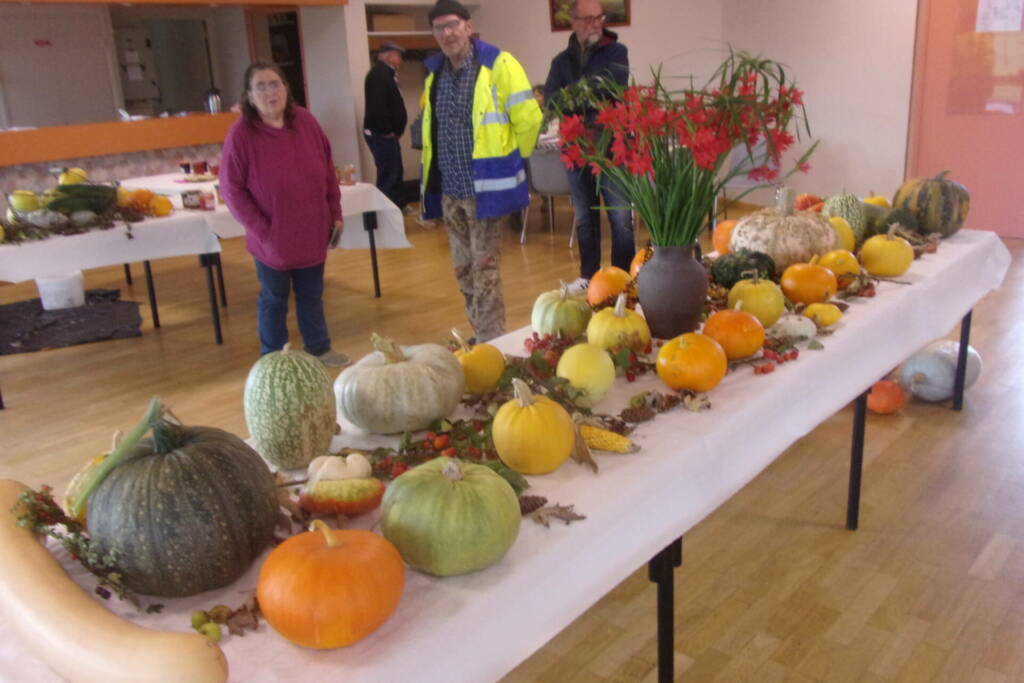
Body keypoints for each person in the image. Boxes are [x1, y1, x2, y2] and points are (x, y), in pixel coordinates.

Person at [420, 0, 542, 342]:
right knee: (463, 271)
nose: (447, 33)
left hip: (485, 189)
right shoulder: (435, 75)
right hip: (450, 189)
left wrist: (513, 161)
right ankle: (480, 334)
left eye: (453, 25)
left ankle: (493, 341)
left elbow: (529, 119)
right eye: (439, 28)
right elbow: (432, 132)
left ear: (468, 27)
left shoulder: (499, 65)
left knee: (485, 270)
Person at [220, 62, 350, 367]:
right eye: (261, 86)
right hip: (271, 239)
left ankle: (319, 348)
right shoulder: (241, 134)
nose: (270, 92)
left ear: (286, 89)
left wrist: (335, 213)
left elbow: (327, 171)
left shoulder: (306, 121)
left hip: (311, 231)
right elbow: (231, 190)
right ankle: (273, 360)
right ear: (249, 96)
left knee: (312, 294)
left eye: (275, 84)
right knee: (274, 299)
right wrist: (264, 231)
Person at [544, 0, 633, 294]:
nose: (595, 24)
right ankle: (588, 276)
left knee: (620, 218)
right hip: (576, 149)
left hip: (612, 147)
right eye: (588, 19)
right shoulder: (561, 61)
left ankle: (623, 278)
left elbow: (612, 87)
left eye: (599, 18)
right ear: (574, 21)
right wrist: (586, 93)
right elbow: (551, 101)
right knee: (585, 217)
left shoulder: (617, 52)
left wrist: (573, 94)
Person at [363, 41, 409, 210]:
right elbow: (378, 105)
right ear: (391, 56)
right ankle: (386, 211)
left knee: (395, 171)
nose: (401, 61)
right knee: (389, 174)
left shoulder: (387, 74)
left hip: (387, 134)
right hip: (381, 134)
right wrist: (386, 130)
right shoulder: (378, 75)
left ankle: (397, 206)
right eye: (399, 56)